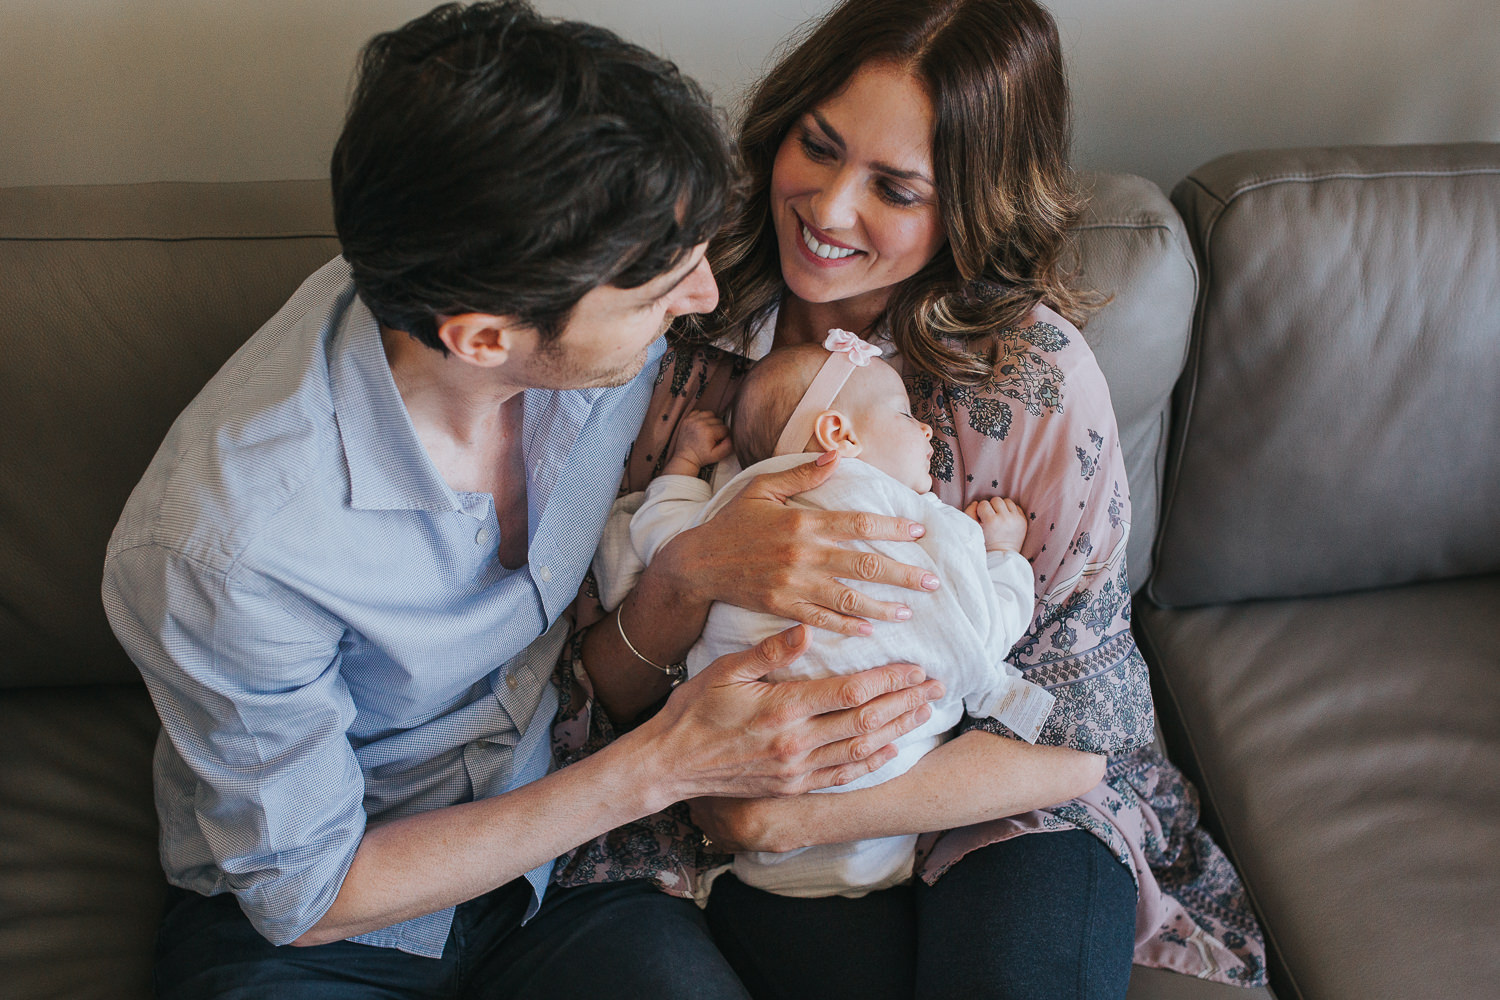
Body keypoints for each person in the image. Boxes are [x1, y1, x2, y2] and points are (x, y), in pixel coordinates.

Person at [100, 4, 950, 997]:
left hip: (557, 864)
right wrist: (659, 766)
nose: (704, 302)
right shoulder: (226, 547)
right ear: (484, 340)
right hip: (328, 926)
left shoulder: (573, 284)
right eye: (654, 293)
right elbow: (312, 892)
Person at [551, 0, 1268, 996]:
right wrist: (690, 577)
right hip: (698, 800)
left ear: (971, 206)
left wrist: (793, 811)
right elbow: (587, 702)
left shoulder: (1033, 385)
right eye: (819, 146)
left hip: (994, 795)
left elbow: (1076, 735)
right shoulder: (671, 325)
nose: (829, 208)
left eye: (893, 187)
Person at [592, 330, 1054, 899]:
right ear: (839, 433)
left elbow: (660, 534)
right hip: (877, 786)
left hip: (747, 784)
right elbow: (980, 628)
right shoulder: (908, 514)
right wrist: (1005, 557)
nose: (926, 428)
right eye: (908, 415)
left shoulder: (730, 506)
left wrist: (685, 462)